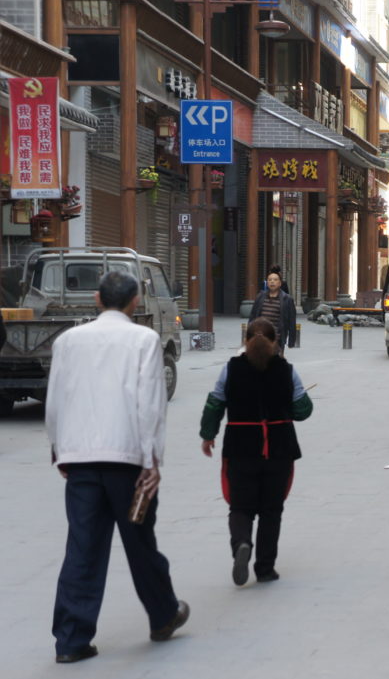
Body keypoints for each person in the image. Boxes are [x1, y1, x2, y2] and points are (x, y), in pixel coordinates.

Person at [46, 270, 188, 664]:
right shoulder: (143, 340)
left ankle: (71, 639)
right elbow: (150, 404)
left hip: (80, 459)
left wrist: (59, 449)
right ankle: (163, 615)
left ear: (97, 299)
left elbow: (55, 399)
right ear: (135, 302)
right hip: (128, 460)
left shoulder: (68, 341)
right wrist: (152, 458)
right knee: (139, 541)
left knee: (82, 547)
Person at [200, 318, 314, 585]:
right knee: (271, 510)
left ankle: (242, 542)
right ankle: (265, 568)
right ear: (275, 342)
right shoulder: (287, 370)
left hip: (240, 446)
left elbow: (215, 403)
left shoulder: (231, 368)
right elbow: (303, 410)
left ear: (245, 340)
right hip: (279, 448)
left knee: (240, 507)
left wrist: (208, 435)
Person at [250, 267, 297, 354]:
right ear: (267, 283)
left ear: (280, 283)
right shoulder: (260, 297)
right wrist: (249, 335)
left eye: (275, 280)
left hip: (277, 339)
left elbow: (291, 321)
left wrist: (291, 341)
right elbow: (253, 317)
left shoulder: (287, 299)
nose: (272, 282)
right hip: (261, 338)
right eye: (270, 280)